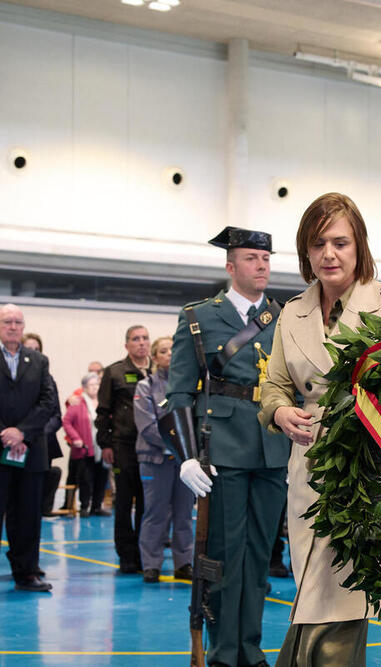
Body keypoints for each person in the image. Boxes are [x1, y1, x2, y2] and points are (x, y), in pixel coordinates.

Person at [259, 192, 381, 667]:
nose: (329, 254)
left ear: (359, 246)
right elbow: (275, 388)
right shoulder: (291, 313)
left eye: (340, 242)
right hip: (307, 472)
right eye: (318, 243)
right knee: (313, 587)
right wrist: (281, 414)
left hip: (368, 468)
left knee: (341, 592)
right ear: (305, 251)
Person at [167, 226, 289, 667]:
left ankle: (250, 650)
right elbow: (179, 392)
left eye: (266, 259)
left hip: (272, 449)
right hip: (221, 450)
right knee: (223, 555)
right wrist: (185, 456)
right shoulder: (200, 317)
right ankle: (222, 653)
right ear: (231, 265)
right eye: (252, 258)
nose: (262, 266)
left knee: (258, 557)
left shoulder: (285, 318)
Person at [0, 304, 56, 592]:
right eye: (7, 321)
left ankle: (27, 573)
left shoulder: (38, 361)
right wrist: (6, 433)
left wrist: (22, 432)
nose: (12, 326)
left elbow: (47, 402)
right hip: (0, 449)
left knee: (28, 516)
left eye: (17, 322)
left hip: (30, 451)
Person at [134, 336, 194, 584]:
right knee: (155, 513)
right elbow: (146, 426)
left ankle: (184, 562)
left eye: (173, 350)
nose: (169, 354)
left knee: (183, 514)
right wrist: (176, 444)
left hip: (184, 463)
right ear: (155, 357)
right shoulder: (145, 386)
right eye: (163, 351)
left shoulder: (191, 385)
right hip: (155, 459)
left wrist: (186, 450)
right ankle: (151, 564)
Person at [96, 325, 151, 573]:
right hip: (124, 445)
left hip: (152, 446)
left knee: (147, 502)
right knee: (124, 500)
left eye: (145, 338)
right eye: (135, 339)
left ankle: (145, 551)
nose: (141, 343)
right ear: (127, 345)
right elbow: (103, 412)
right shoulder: (115, 372)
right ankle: (127, 555)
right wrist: (106, 444)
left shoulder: (158, 372)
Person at [21, 334, 65, 519]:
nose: (33, 352)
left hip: (42, 442)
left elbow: (55, 415)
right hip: (16, 441)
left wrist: (39, 432)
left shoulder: (48, 379)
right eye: (29, 348)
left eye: (36, 349)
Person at [62, 373, 108, 517]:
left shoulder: (104, 402)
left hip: (102, 447)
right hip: (85, 448)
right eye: (91, 385)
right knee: (85, 478)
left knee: (102, 477)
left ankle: (97, 506)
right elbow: (66, 422)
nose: (95, 388)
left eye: (97, 385)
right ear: (84, 387)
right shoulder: (77, 403)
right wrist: (75, 438)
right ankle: (84, 506)